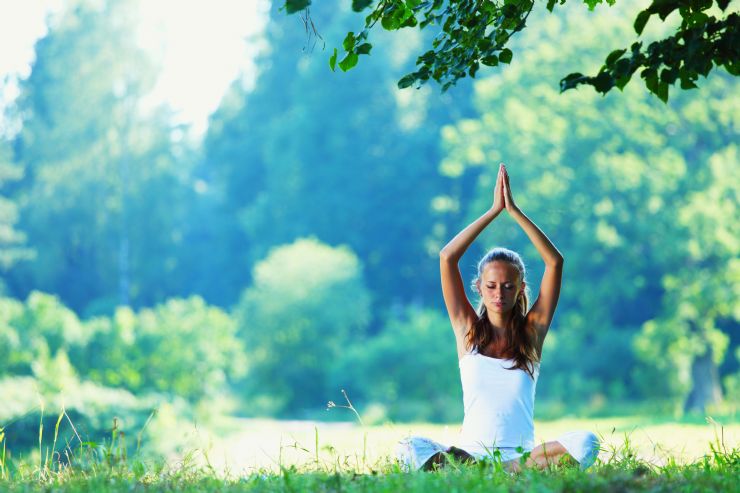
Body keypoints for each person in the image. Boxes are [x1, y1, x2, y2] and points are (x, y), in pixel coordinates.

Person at [397, 163, 600, 472]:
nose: (499, 293)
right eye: (491, 286)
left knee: (587, 442)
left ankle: (507, 471)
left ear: (520, 289)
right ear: (479, 287)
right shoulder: (467, 330)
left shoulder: (532, 333)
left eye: (508, 286)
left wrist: (514, 211)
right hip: (469, 457)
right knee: (410, 448)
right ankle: (485, 471)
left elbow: (554, 262)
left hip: (522, 458)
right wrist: (493, 211)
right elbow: (447, 257)